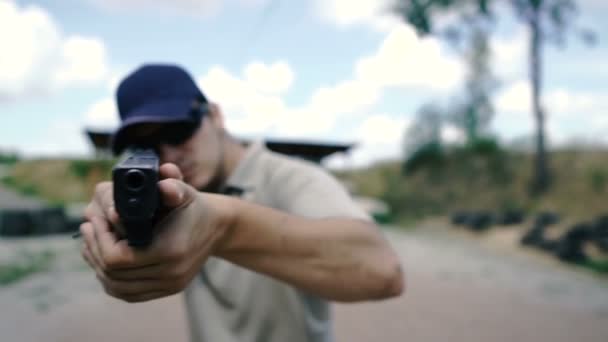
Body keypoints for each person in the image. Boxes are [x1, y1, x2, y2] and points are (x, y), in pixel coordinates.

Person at [80, 64, 405, 342]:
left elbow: (383, 270)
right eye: (146, 147)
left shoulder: (287, 177)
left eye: (179, 131)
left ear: (215, 115)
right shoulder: (179, 192)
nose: (169, 153)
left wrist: (224, 227)